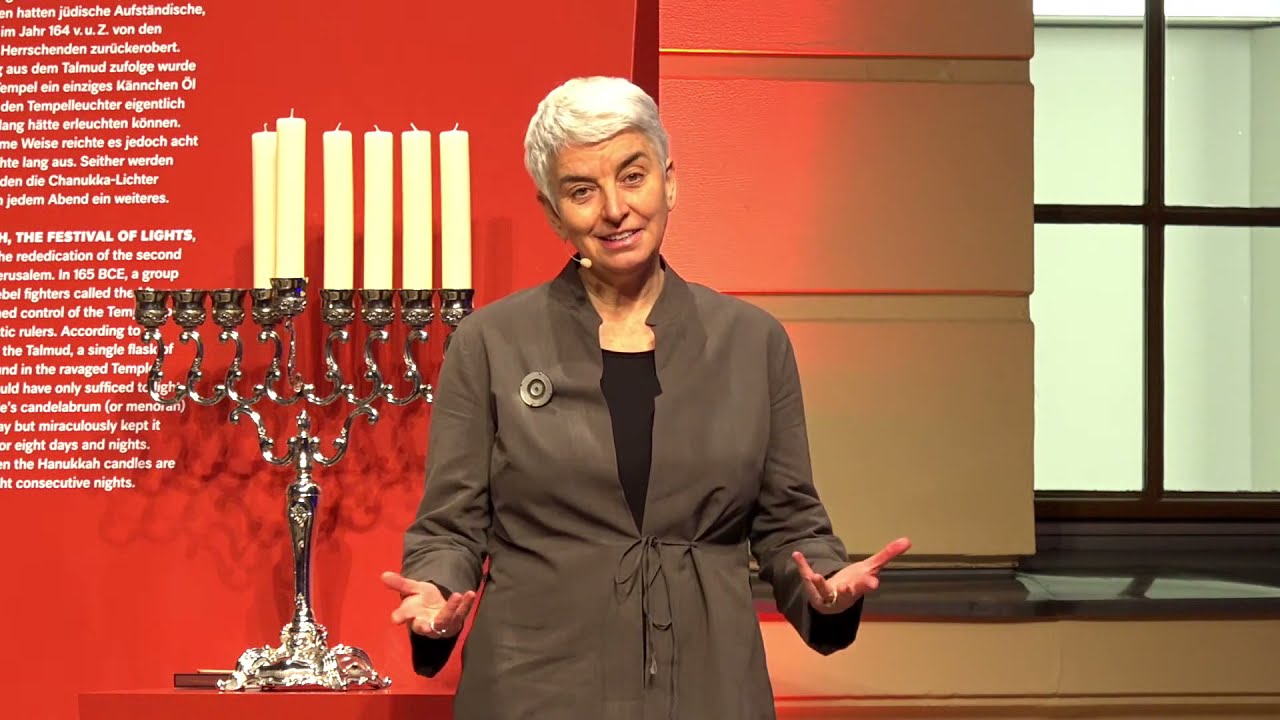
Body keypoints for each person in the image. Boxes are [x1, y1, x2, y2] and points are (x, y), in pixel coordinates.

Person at [380, 75, 912, 719]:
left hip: (710, 685)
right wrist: (436, 594)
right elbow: (450, 527)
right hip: (534, 689)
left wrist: (826, 587)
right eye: (582, 190)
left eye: (632, 176)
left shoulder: (752, 343)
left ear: (670, 181)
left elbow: (791, 523)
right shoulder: (490, 343)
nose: (614, 208)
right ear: (553, 213)